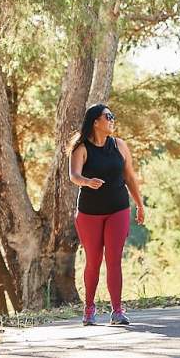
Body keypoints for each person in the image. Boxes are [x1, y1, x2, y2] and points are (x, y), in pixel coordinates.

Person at [68, 103, 145, 326]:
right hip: (89, 213)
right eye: (108, 116)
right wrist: (86, 182)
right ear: (95, 121)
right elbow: (73, 175)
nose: (112, 120)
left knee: (114, 260)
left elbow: (130, 177)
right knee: (93, 262)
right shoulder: (81, 148)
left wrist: (139, 204)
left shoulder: (119, 146)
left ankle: (117, 311)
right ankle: (89, 308)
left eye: (113, 116)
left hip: (118, 209)